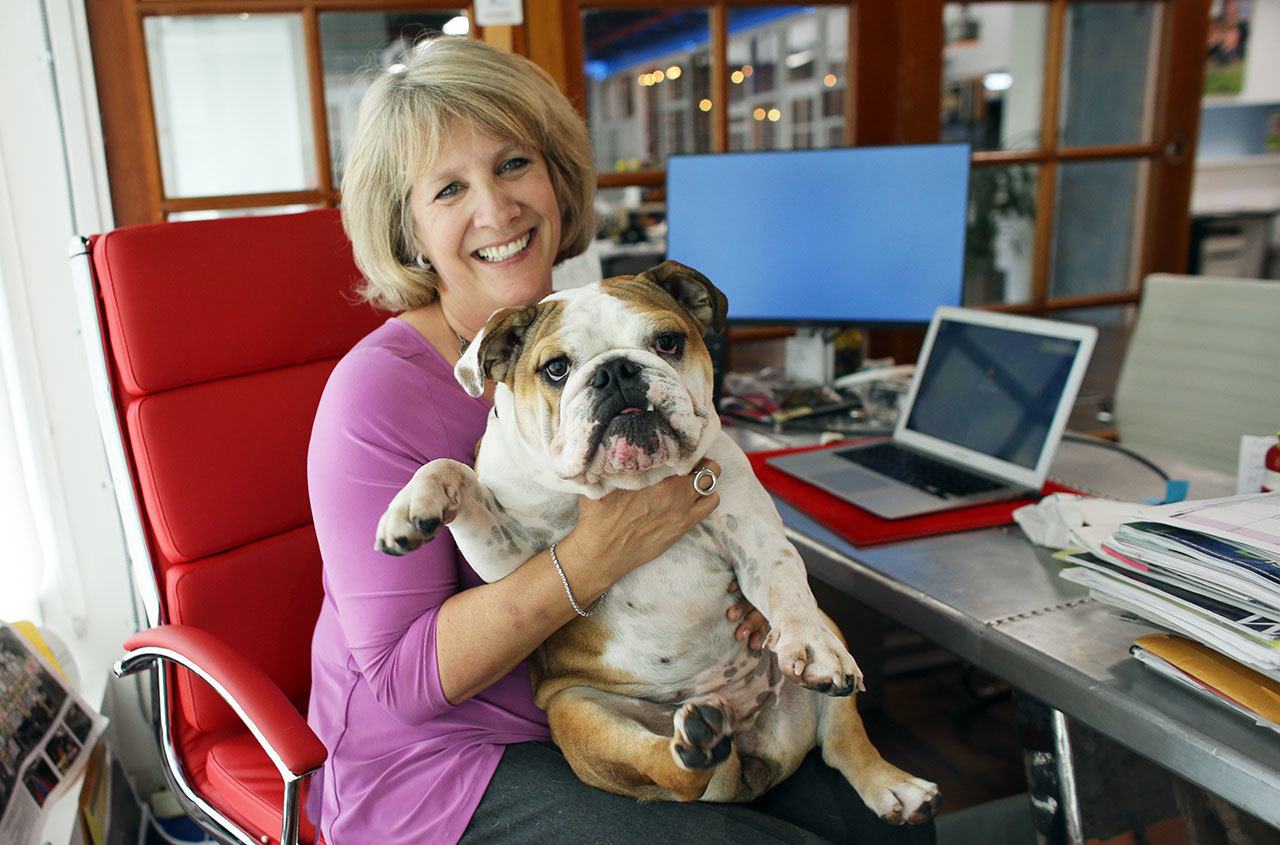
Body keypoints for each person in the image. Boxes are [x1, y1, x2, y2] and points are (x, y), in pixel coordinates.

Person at [307, 35, 935, 845]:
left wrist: (731, 599)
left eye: (512, 165)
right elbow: (399, 683)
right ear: (408, 227)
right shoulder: (375, 396)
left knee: (883, 831)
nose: (496, 211)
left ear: (557, 177)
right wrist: (601, 550)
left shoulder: (609, 323)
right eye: (449, 188)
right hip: (450, 759)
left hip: (673, 691)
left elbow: (707, 500)